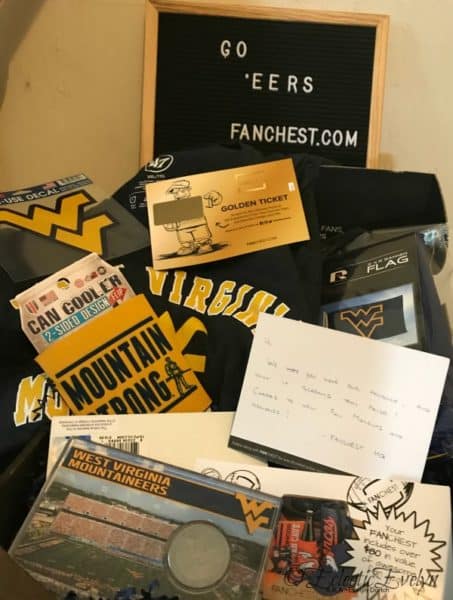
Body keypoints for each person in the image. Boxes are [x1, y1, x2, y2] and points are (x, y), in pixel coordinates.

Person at [163, 179, 222, 256]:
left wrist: (214, 197)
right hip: (182, 228)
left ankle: (204, 245)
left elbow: (211, 202)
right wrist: (169, 224)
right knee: (185, 239)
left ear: (188, 190)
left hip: (199, 224)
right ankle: (189, 247)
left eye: (182, 191)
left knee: (201, 236)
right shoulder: (174, 206)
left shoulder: (197, 199)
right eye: (175, 193)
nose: (178, 194)